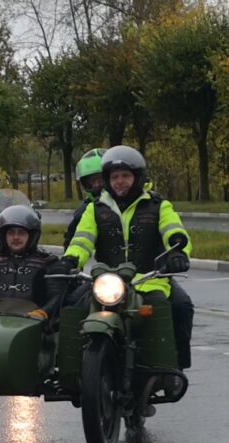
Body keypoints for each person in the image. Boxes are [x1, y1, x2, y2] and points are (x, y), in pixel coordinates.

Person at [60, 145, 195, 384]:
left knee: (181, 306)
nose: (120, 182)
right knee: (71, 305)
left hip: (149, 279)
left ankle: (173, 369)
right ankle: (71, 374)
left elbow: (173, 230)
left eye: (125, 176)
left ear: (138, 178)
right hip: (106, 280)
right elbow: (82, 239)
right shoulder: (95, 208)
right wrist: (71, 259)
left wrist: (178, 252)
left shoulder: (158, 206)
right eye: (114, 177)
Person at [0, 205, 68, 321]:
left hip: (33, 324)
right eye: (11, 232)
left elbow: (57, 298)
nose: (16, 237)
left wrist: (43, 312)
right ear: (3, 235)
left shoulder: (46, 262)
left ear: (32, 236)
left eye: (21, 232)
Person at [64, 148, 106, 249]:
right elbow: (70, 244)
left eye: (101, 179)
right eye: (92, 181)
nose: (97, 185)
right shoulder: (82, 211)